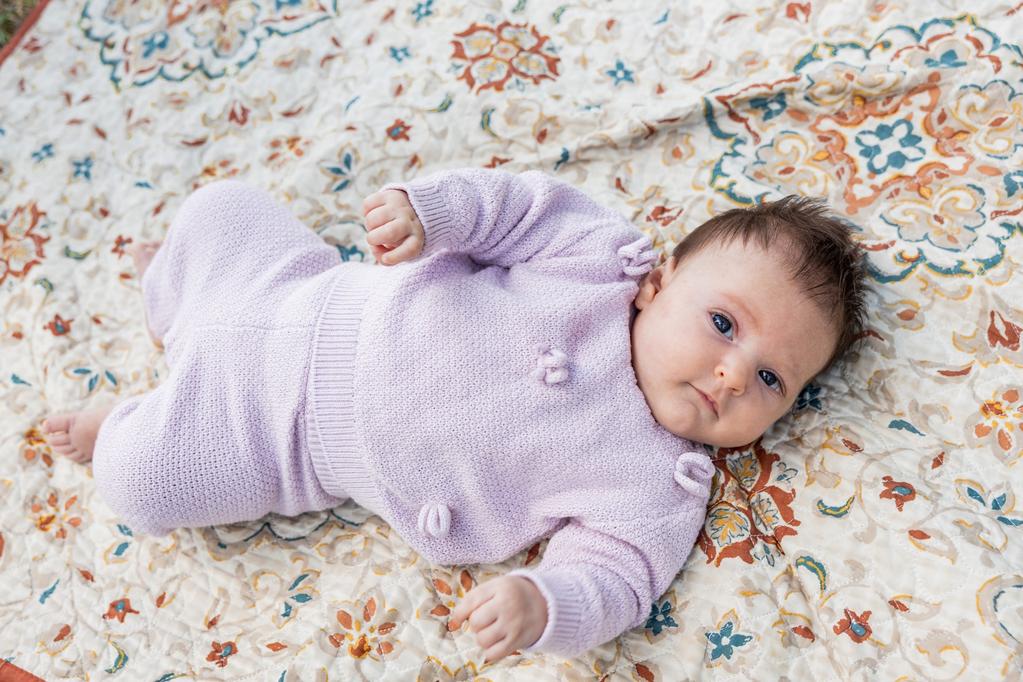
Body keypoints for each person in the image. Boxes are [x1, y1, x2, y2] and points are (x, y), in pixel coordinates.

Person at [41, 168, 866, 662]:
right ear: (659, 281)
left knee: (141, 481)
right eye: (722, 323)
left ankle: (130, 418)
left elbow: (618, 577)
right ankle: (176, 298)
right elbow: (511, 208)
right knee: (223, 207)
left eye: (771, 378)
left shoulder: (656, 481)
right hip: (308, 290)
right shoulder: (592, 258)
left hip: (284, 440)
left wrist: (545, 603)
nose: (731, 373)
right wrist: (428, 211)